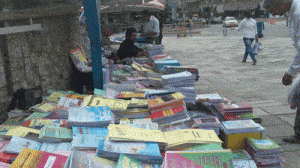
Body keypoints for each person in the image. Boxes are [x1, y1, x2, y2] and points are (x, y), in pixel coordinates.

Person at [264, 0, 300, 143]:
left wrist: (290, 72)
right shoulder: (292, 11)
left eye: (274, 10)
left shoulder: (298, 13)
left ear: (281, 3)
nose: (275, 14)